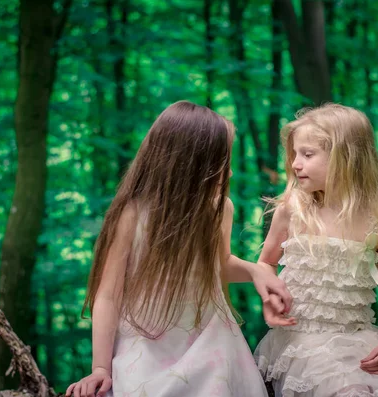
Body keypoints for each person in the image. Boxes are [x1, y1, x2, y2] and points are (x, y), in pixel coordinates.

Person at [65, 100, 293, 397]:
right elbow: (108, 294)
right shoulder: (133, 214)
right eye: (223, 163)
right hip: (146, 343)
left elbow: (218, 265)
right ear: (194, 164)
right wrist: (100, 369)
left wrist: (255, 270)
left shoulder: (220, 209)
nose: (232, 173)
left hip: (210, 339)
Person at [254, 104, 378, 397]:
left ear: (346, 158)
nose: (296, 164)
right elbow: (265, 264)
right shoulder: (293, 210)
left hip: (356, 341)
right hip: (302, 338)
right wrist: (270, 299)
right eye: (295, 154)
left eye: (308, 155)